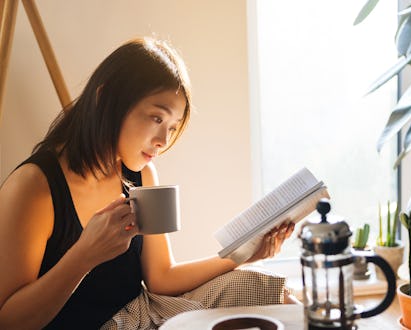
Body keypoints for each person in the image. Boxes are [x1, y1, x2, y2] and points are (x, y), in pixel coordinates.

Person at [0, 37, 295, 329]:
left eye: (172, 128)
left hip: (143, 316)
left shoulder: (141, 175)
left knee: (269, 291)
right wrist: (82, 257)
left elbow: (162, 278)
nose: (163, 141)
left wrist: (244, 255)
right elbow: (9, 320)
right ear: (105, 100)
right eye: (156, 118)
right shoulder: (34, 188)